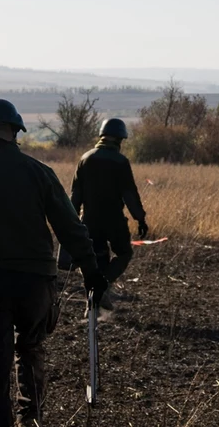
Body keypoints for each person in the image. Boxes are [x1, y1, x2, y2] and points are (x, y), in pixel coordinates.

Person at [0, 98, 108, 427]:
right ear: (16, 131)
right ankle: (31, 420)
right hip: (35, 283)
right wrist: (91, 270)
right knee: (30, 353)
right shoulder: (39, 172)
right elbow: (70, 227)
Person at [70, 117, 148, 310]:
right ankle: (101, 288)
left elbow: (75, 194)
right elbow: (129, 194)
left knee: (97, 259)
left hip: (89, 221)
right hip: (114, 221)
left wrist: (71, 221)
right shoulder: (121, 162)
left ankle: (94, 305)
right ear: (120, 140)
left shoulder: (85, 158)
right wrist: (140, 218)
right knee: (124, 253)